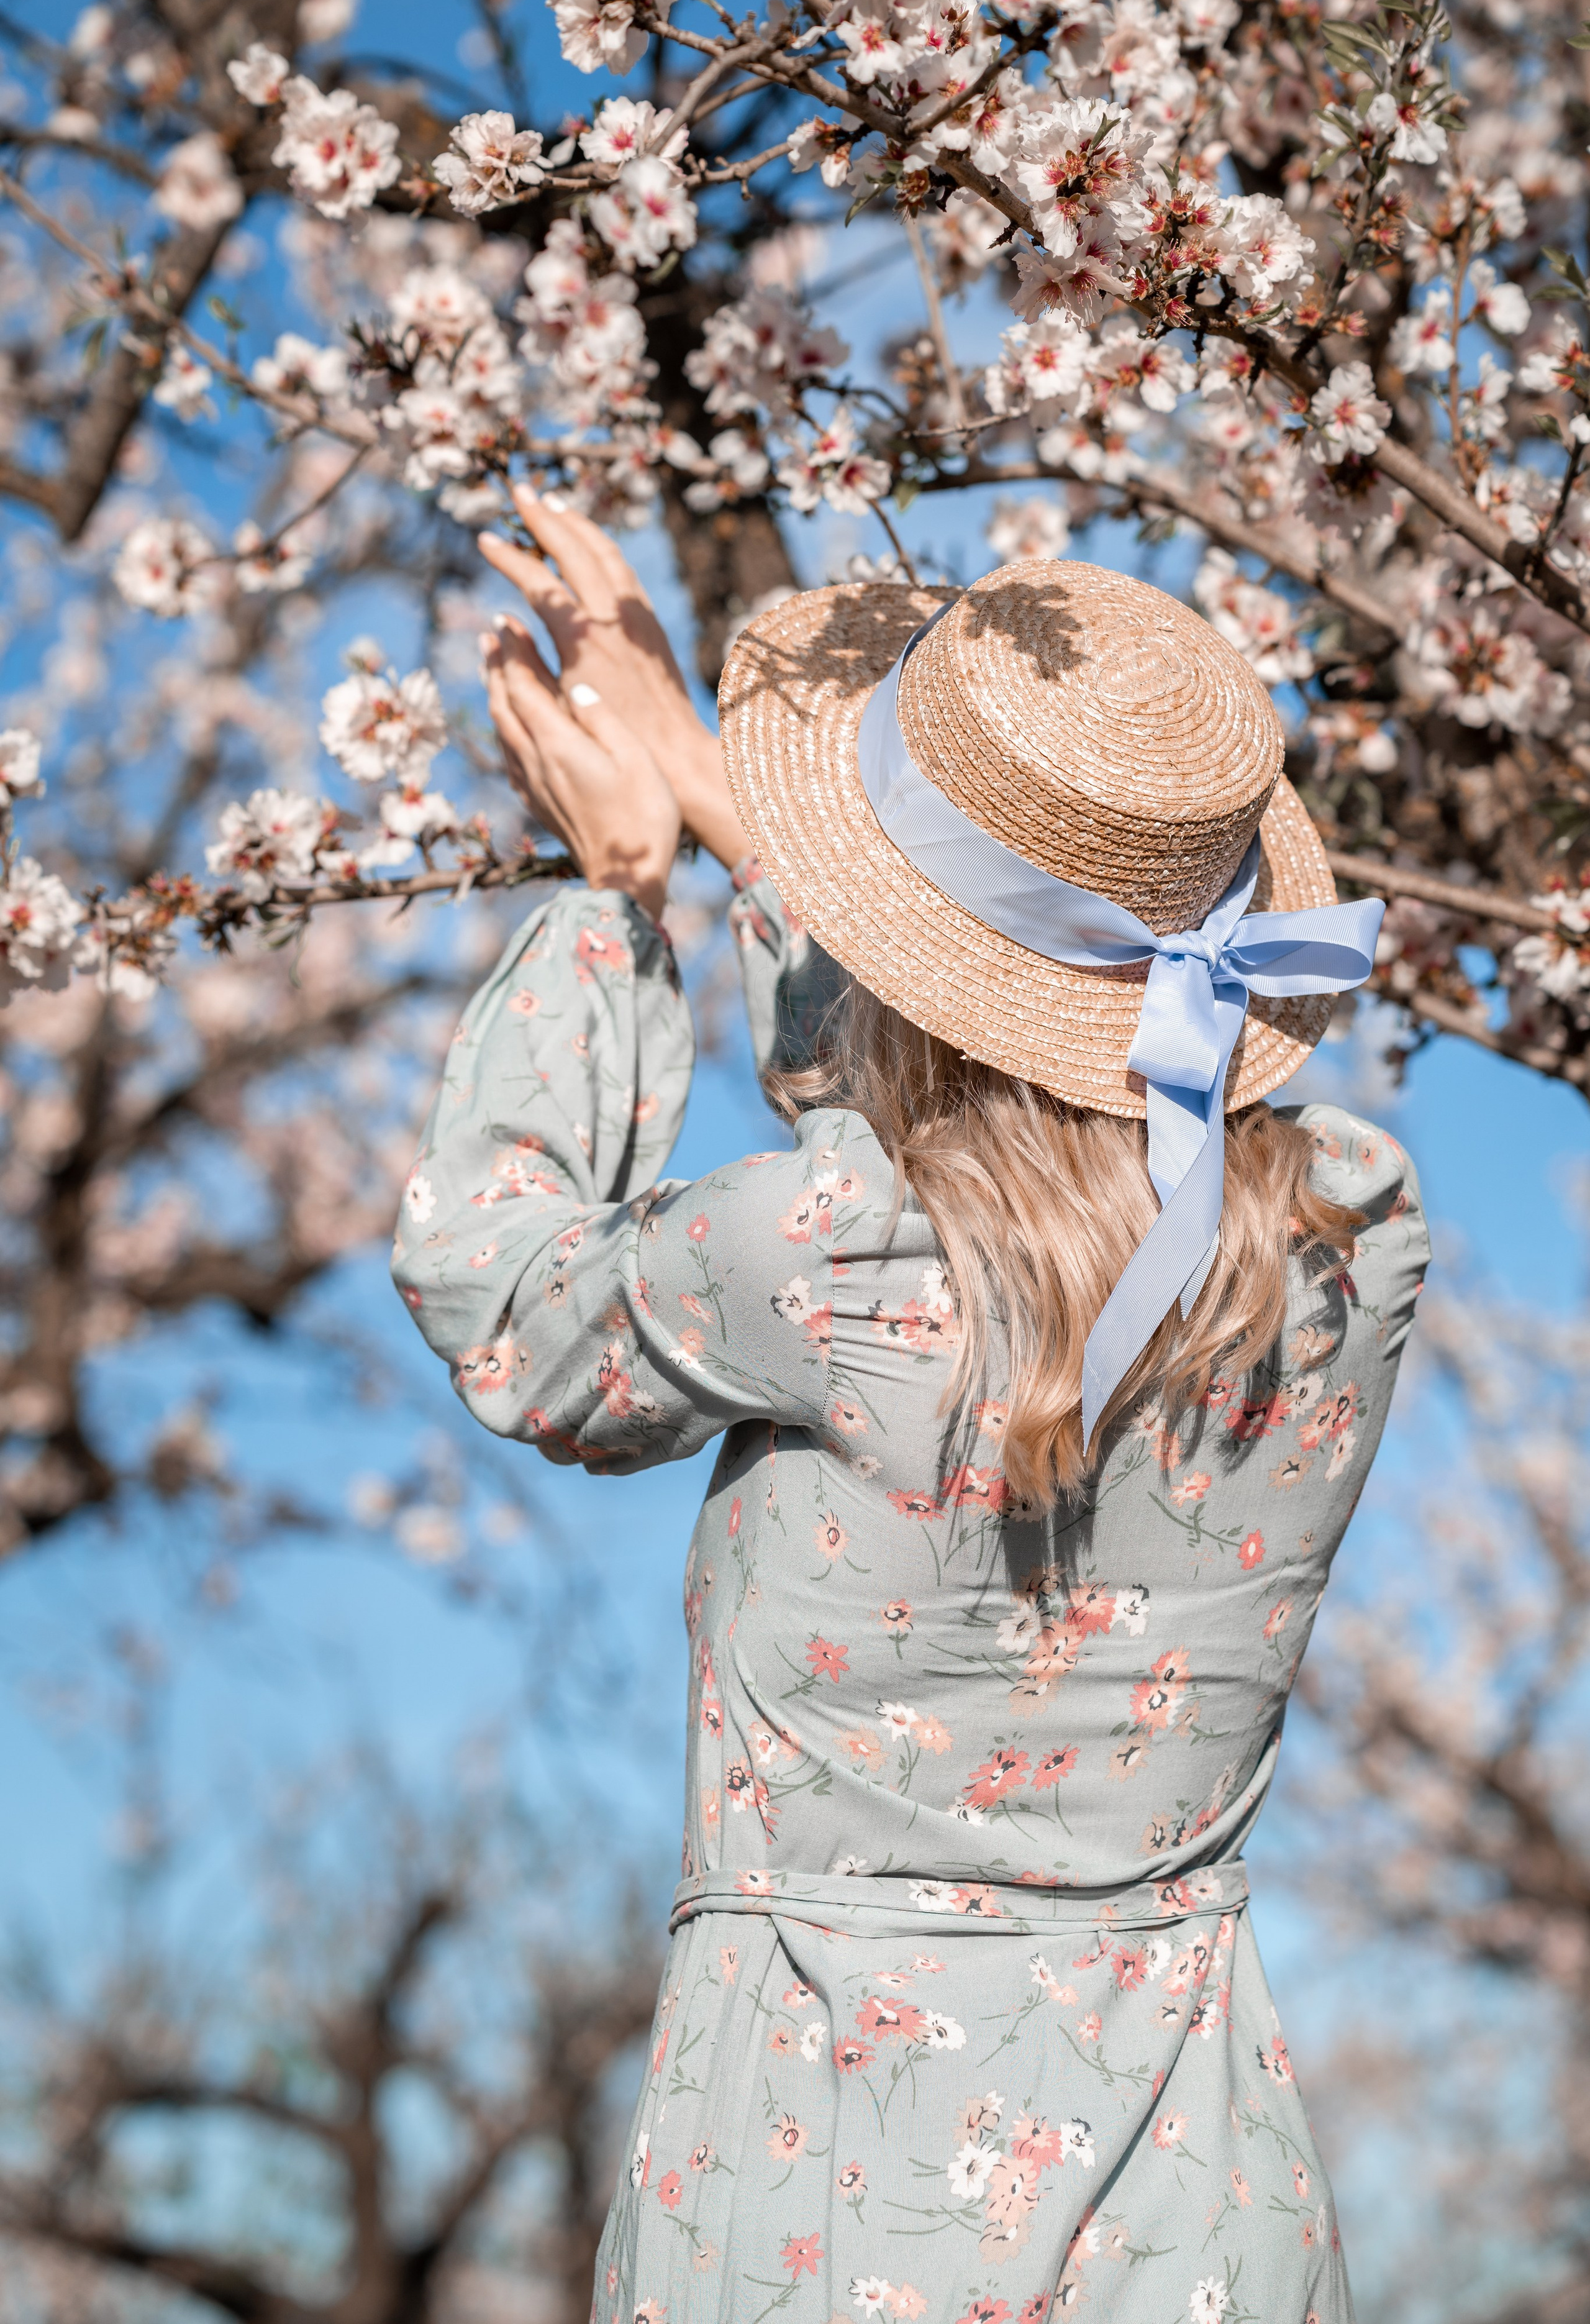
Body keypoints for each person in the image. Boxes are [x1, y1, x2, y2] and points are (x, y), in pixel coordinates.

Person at [394, 488, 1429, 2324]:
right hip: (1200, 2194)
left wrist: (617, 891)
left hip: (814, 2164)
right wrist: (721, 792)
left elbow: (503, 1296)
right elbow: (993, 1118)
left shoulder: (813, 1253)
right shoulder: (1353, 1242)